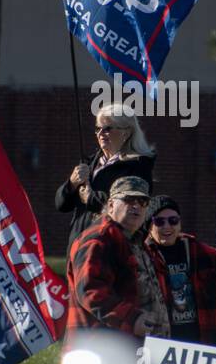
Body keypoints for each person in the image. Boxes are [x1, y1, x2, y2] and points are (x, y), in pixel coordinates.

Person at [65, 176, 171, 341]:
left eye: (143, 202)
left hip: (137, 349)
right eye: (129, 199)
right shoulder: (99, 239)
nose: (136, 206)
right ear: (111, 205)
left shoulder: (137, 241)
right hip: (103, 349)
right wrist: (132, 318)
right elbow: (90, 290)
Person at [56, 104, 155, 258]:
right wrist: (72, 183)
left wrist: (91, 198)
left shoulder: (137, 167)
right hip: (79, 249)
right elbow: (61, 205)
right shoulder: (90, 163)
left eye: (108, 128)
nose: (101, 133)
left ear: (126, 132)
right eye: (98, 128)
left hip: (111, 251)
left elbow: (130, 209)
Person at [145, 195, 216, 347]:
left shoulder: (198, 251)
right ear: (149, 226)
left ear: (180, 223)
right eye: (159, 222)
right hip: (161, 346)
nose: (167, 226)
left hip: (203, 344)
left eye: (173, 220)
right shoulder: (142, 255)